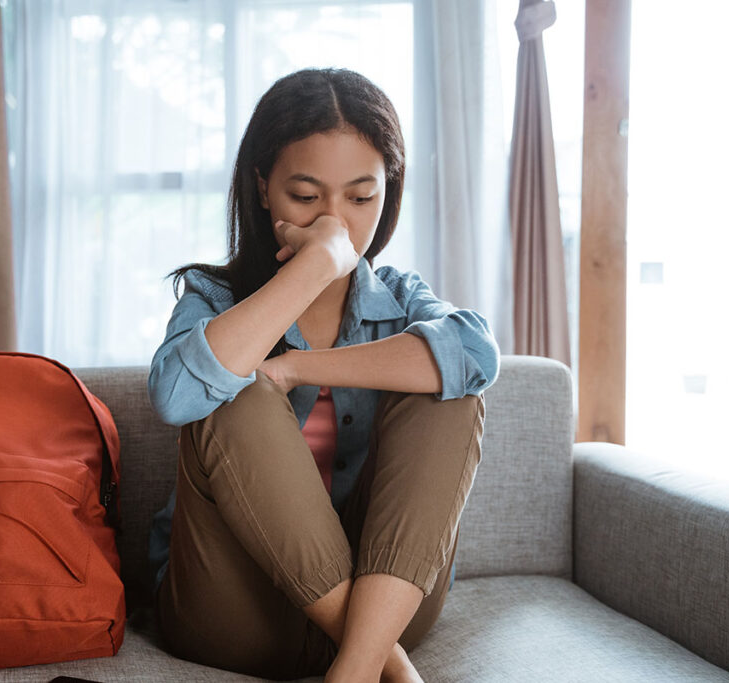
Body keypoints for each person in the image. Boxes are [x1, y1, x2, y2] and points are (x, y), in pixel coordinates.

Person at [146, 68, 500, 682]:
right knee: (236, 385)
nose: (334, 221)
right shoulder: (213, 298)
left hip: (382, 611)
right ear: (263, 187)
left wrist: (296, 367)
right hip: (235, 616)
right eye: (307, 198)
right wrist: (317, 265)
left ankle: (356, 667)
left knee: (446, 386)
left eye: (360, 199)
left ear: (388, 190)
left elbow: (477, 356)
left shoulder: (402, 299)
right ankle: (385, 669)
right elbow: (175, 396)